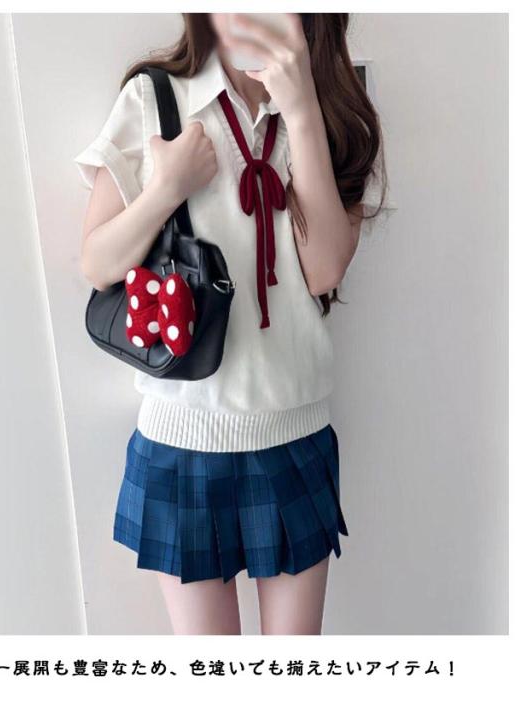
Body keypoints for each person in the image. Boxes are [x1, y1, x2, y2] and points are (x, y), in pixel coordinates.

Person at [74, 12, 386, 635]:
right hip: (182, 440)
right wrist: (166, 188)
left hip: (293, 434)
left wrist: (302, 112)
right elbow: (97, 264)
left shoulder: (334, 109)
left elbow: (325, 269)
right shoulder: (155, 98)